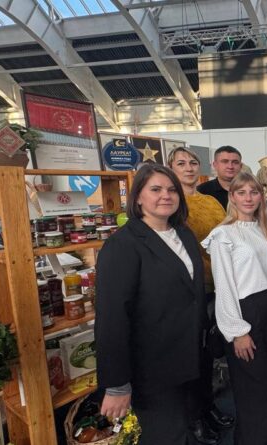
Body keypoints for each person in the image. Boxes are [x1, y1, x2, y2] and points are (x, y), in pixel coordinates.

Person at [96, 164, 207, 445]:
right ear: (138, 198)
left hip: (188, 358)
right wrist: (117, 384)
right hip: (152, 368)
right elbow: (112, 317)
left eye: (171, 190)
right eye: (155, 189)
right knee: (165, 436)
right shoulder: (123, 244)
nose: (165, 195)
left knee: (182, 431)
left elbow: (192, 293)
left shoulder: (183, 234)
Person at [203, 172, 267, 445]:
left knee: (265, 385)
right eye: (241, 192)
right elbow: (224, 286)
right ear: (232, 197)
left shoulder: (264, 230)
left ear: (261, 196)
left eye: (253, 192)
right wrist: (237, 331)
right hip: (243, 311)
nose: (248, 197)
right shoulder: (223, 235)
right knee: (256, 388)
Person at [168, 147, 234, 443]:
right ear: (170, 168)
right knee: (191, 358)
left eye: (193, 162)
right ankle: (193, 417)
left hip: (216, 285)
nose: (189, 167)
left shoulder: (210, 201)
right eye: (181, 163)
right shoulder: (171, 203)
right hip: (188, 292)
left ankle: (208, 408)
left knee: (208, 355)